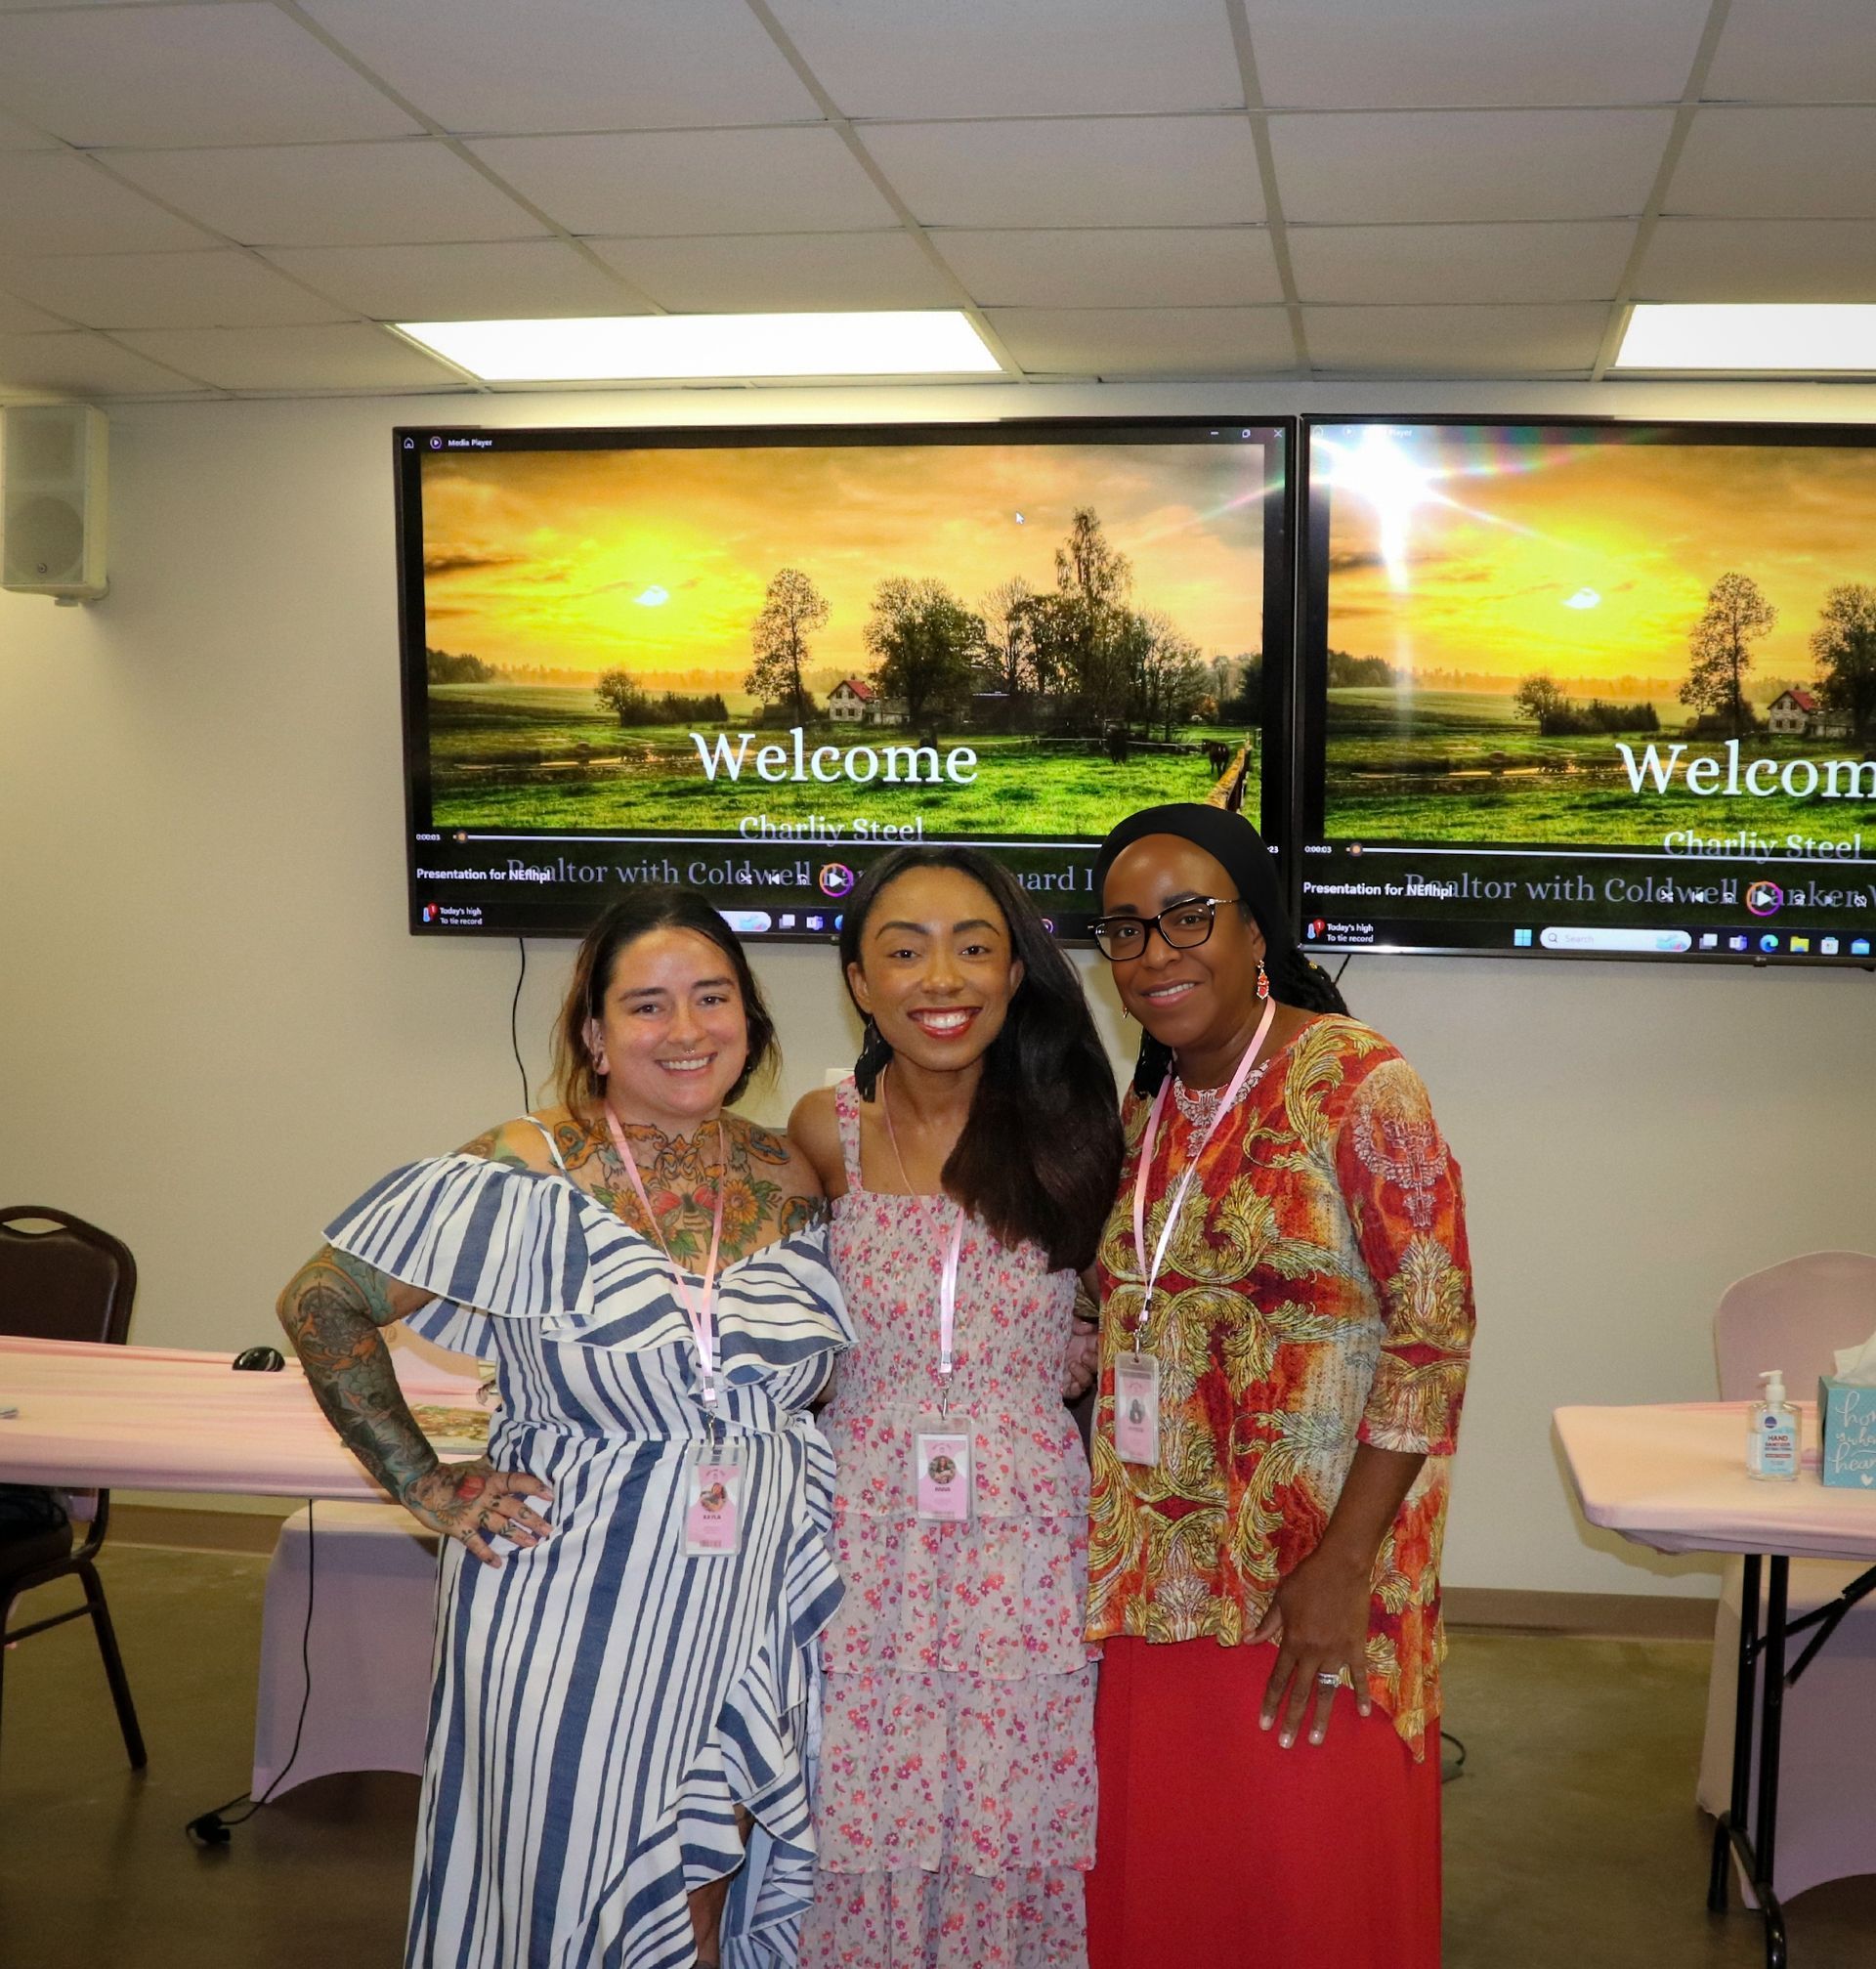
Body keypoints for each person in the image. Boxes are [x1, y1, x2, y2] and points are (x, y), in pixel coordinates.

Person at [276, 889, 850, 1969]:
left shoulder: (789, 1170)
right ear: (594, 1032)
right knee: (562, 1885)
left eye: (711, 996)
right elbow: (321, 1301)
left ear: (749, 1012)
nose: (686, 1030)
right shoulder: (524, 1163)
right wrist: (427, 1483)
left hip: (749, 1599)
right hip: (572, 1602)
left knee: (709, 1885)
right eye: (647, 1005)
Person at [1081, 804, 1474, 1969]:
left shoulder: (1360, 1081)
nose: (1157, 953)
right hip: (1157, 1578)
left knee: (1305, 1896)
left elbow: (1435, 1328)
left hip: (1311, 1584)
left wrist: (1344, 1563)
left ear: (1260, 928)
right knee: (1179, 1892)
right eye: (1125, 929)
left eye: (1189, 916)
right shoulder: (1151, 1110)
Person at [789, 845, 1124, 1969]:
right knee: (856, 1799)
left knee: (1008, 1801)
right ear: (859, 980)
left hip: (1023, 1539)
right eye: (906, 947)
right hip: (858, 1530)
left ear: (1015, 972)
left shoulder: (1076, 1131)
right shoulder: (822, 1130)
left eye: (977, 945)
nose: (945, 976)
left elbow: (1124, 1314)